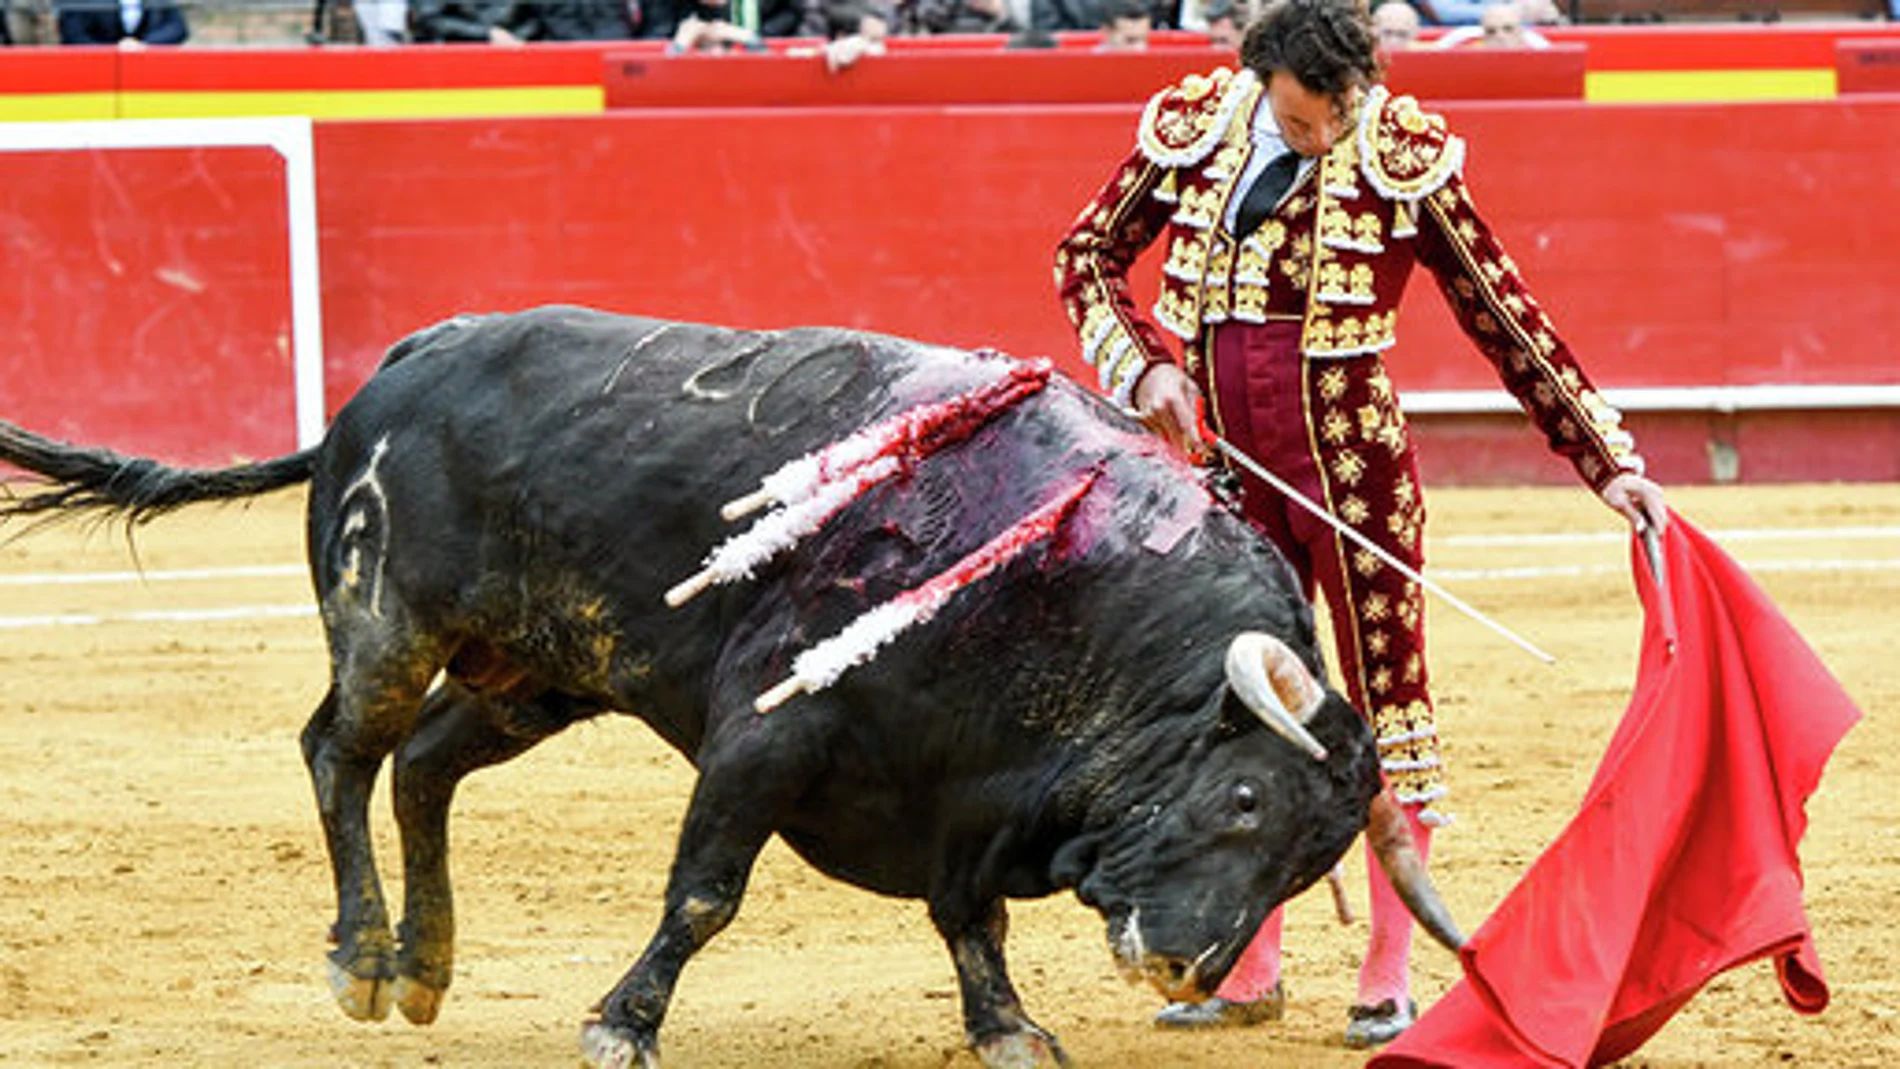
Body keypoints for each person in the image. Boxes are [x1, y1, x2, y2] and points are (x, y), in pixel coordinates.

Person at [1053, 0, 1666, 1048]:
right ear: (1260, 85)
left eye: (1338, 117)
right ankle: (1250, 966)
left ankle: (1386, 970)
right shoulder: (1197, 128)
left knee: (1387, 712)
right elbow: (1085, 257)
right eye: (1301, 124)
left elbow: (1504, 314)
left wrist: (1604, 460)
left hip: (1354, 474)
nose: (1324, 140)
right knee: (1243, 712)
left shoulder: (1402, 151)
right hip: (1225, 478)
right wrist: (1147, 360)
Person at [54, 0, 186, 44]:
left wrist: (142, 45)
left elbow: (177, 28)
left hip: (149, 76)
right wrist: (114, 53)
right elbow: (73, 35)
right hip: (93, 75)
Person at [1434, 0, 1549, 47]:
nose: (1500, 36)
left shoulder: (1535, 43)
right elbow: (1442, 12)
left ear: (1520, 33)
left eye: (1507, 29)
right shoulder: (1462, 37)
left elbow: (1534, 7)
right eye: (1491, 31)